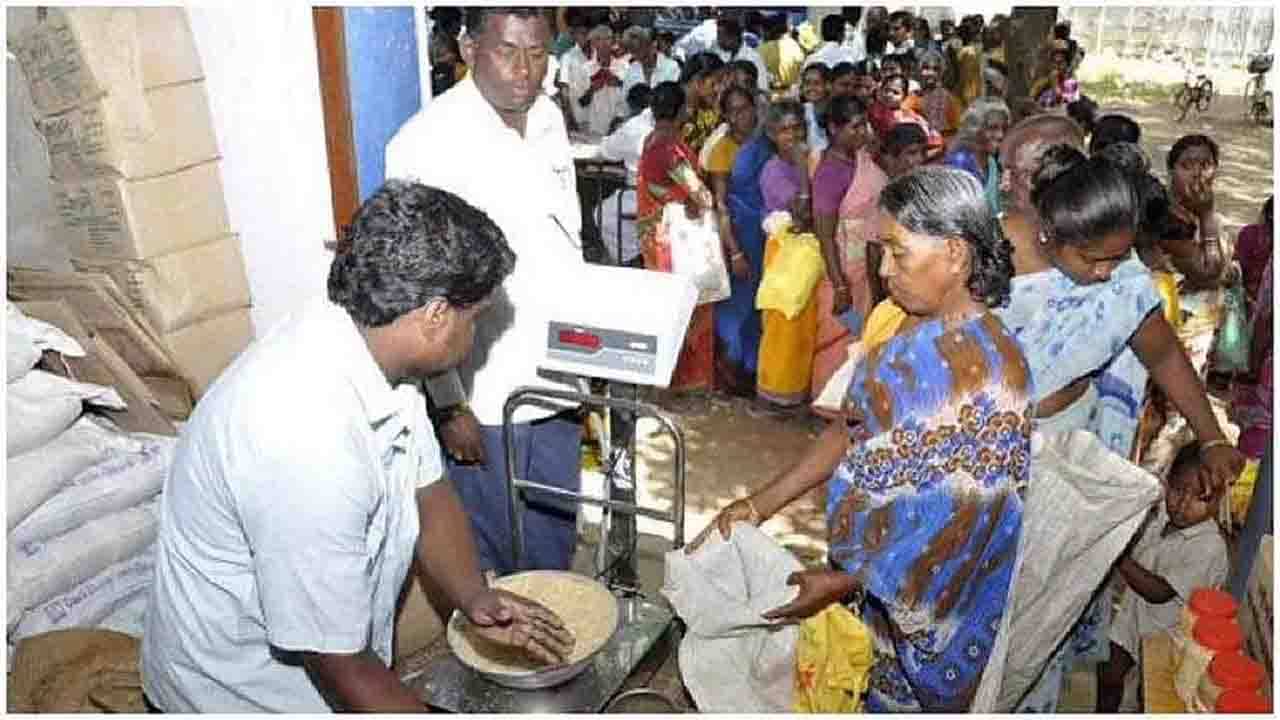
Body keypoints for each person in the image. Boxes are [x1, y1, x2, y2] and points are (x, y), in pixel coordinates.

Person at [141, 181, 575, 712]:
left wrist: (474, 596)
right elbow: (339, 664)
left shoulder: (377, 351)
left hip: (331, 661)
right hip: (239, 693)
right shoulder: (305, 439)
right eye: (476, 317)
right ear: (436, 315)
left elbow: (429, 492)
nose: (475, 333)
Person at [694, 166, 1030, 713]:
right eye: (882, 250)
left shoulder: (989, 376)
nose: (884, 268)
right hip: (868, 584)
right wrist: (756, 505)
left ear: (955, 254)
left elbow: (960, 525)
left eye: (899, 252)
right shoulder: (904, 330)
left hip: (929, 609)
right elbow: (850, 428)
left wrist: (845, 579)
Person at [993, 125, 1243, 711]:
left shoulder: (1117, 268)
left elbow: (1160, 351)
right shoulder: (991, 253)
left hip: (1064, 462)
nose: (1107, 271)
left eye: (1020, 171)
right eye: (1095, 260)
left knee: (1044, 609)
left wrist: (1210, 439)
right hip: (988, 455)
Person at [385, 7, 588, 577]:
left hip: (559, 373)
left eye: (538, 52)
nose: (526, 70)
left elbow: (565, 239)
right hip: (485, 388)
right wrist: (448, 402)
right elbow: (420, 288)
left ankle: (553, 649)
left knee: (552, 536)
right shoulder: (426, 144)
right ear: (469, 48)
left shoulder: (548, 117)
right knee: (495, 551)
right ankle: (502, 659)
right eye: (507, 51)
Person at [1096, 443, 1229, 713]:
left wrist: (1118, 556)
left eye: (1199, 497)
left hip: (1168, 636)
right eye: (1178, 490)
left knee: (1153, 693)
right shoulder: (1160, 517)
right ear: (1167, 483)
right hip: (1133, 617)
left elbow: (1159, 592)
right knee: (1108, 675)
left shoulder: (1208, 548)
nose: (1183, 504)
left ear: (1217, 501)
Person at [637, 81, 717, 393]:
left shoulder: (651, 140)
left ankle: (662, 382)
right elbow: (702, 197)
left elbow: (656, 187)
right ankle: (682, 383)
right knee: (686, 310)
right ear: (682, 110)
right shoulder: (671, 149)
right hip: (675, 242)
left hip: (655, 237)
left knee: (666, 308)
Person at [809, 96, 883, 403]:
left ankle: (849, 401)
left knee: (860, 335)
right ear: (833, 129)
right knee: (838, 336)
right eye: (854, 127)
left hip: (867, 263)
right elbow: (825, 234)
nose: (862, 132)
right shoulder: (830, 172)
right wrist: (839, 284)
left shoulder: (860, 160)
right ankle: (828, 403)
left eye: (864, 124)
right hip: (842, 266)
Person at [755, 100, 817, 414]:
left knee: (803, 327)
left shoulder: (808, 161)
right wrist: (804, 170)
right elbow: (803, 213)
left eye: (797, 129)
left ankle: (796, 392)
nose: (791, 137)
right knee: (783, 324)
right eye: (784, 130)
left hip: (805, 253)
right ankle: (773, 396)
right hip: (784, 253)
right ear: (771, 134)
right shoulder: (774, 171)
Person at [706, 85, 761, 395]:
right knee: (736, 307)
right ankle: (731, 372)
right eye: (734, 111)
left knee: (759, 306)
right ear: (726, 116)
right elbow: (721, 204)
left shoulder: (765, 143)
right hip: (738, 233)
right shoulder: (721, 150)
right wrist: (735, 251)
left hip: (767, 231)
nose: (742, 116)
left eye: (746, 108)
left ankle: (754, 370)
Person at [598, 83, 654, 267]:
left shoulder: (634, 127)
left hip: (644, 195)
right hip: (657, 194)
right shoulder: (650, 127)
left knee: (603, 214)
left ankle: (631, 260)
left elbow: (607, 150)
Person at [944, 97, 1009, 214]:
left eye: (1004, 129)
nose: (1000, 135)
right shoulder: (959, 163)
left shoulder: (991, 163)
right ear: (974, 129)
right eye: (992, 128)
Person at [566, 24, 627, 135]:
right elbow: (580, 102)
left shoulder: (624, 66)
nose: (603, 43)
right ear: (593, 44)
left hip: (619, 127)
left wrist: (619, 83)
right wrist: (592, 90)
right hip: (594, 128)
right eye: (599, 39)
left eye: (607, 39)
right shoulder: (585, 69)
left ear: (613, 42)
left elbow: (630, 96)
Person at [869, 74, 941, 161]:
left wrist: (919, 159)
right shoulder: (871, 112)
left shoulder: (913, 118)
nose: (889, 95)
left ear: (904, 97)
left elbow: (936, 143)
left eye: (896, 92)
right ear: (880, 91)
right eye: (886, 90)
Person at [904, 49, 963, 141]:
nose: (930, 73)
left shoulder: (951, 100)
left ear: (942, 73)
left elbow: (958, 132)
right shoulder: (912, 98)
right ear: (918, 71)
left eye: (936, 69)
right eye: (926, 68)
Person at [680, 52, 728, 156]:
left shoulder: (712, 112)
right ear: (698, 82)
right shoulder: (671, 116)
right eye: (717, 82)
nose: (721, 89)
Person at [709, 14, 769, 94]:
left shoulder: (753, 58)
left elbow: (762, 89)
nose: (718, 40)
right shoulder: (717, 52)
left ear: (734, 37)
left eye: (721, 36)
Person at [620, 25, 680, 99]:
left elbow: (674, 98)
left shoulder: (671, 67)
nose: (639, 58)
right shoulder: (632, 69)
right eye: (634, 52)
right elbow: (624, 99)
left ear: (652, 46)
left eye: (645, 56)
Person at [759, 12, 804, 99]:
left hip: (769, 97)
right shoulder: (796, 47)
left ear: (769, 30)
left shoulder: (762, 50)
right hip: (791, 97)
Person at [1030, 41, 1081, 109]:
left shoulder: (1071, 82)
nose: (1056, 66)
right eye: (1054, 62)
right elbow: (1032, 99)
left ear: (1066, 64)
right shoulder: (1042, 82)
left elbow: (1069, 104)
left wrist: (1055, 85)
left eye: (1060, 63)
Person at [800, 64, 831, 155]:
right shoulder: (801, 112)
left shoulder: (837, 111)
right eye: (807, 83)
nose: (811, 88)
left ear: (827, 85)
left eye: (817, 83)